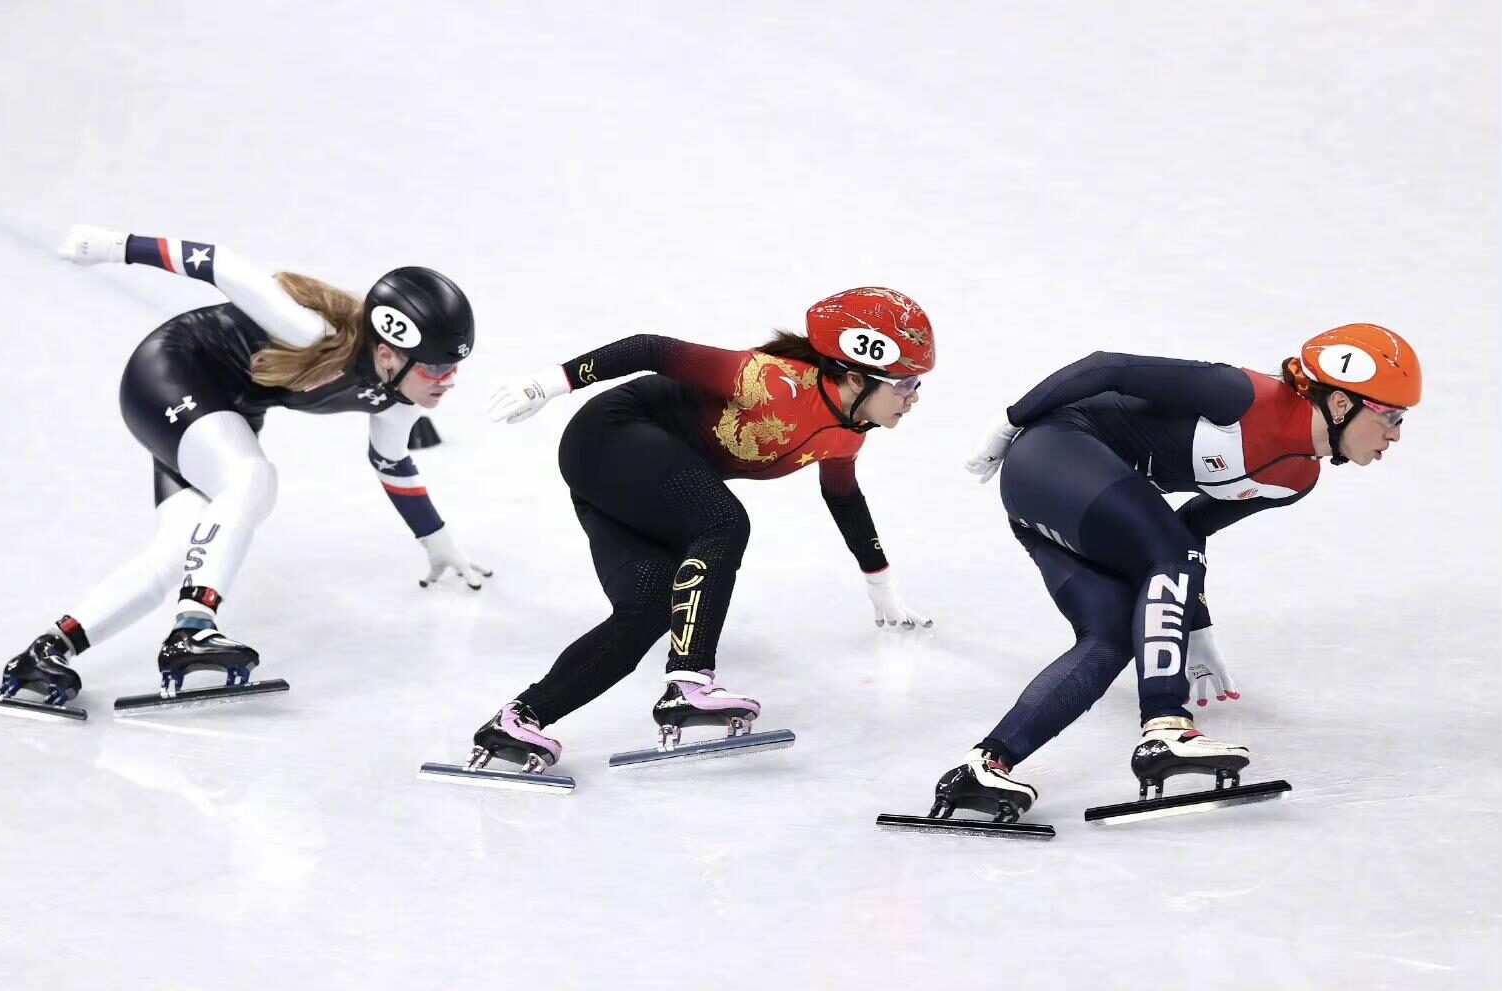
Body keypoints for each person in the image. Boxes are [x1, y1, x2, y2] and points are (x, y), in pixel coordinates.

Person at [0, 224, 490, 710]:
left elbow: (391, 462)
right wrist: (115, 246)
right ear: (387, 354)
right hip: (168, 372)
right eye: (437, 367)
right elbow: (218, 263)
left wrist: (436, 541)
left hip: (223, 417)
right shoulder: (311, 330)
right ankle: (193, 628)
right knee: (252, 479)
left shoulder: (397, 400)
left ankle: (48, 651)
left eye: (454, 366)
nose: (448, 380)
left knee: (177, 554)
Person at [932, 324, 1421, 819]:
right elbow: (1106, 367)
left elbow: (1188, 529)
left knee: (1110, 636)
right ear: (1341, 404)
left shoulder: (1296, 479)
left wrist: (1195, 624)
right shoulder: (1244, 396)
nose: (1397, 434)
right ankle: (1166, 727)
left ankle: (984, 764)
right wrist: (1007, 424)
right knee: (1168, 553)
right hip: (1054, 451)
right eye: (1392, 416)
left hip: (1054, 506)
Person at [459, 287, 937, 774]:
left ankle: (518, 718)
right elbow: (650, 349)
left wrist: (881, 584)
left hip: (627, 480)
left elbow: (843, 497)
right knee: (723, 522)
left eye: (918, 384)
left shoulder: (848, 432)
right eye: (905, 384)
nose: (914, 398)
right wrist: (547, 384)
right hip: (611, 435)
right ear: (857, 377)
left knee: (648, 608)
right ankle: (688, 683)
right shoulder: (770, 381)